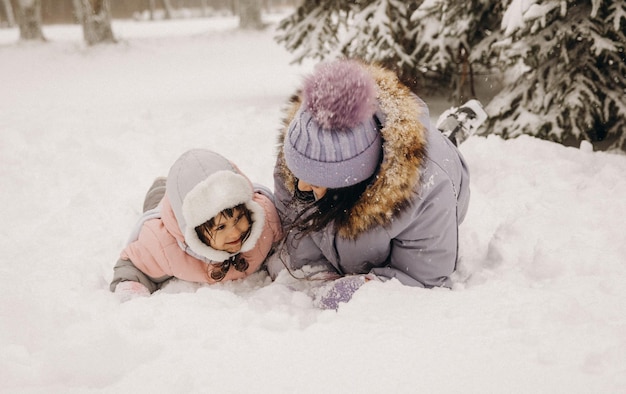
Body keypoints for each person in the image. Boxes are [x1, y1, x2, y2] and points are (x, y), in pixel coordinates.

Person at [268, 59, 485, 309]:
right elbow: (298, 237)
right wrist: (318, 276)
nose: (301, 186)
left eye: (316, 181)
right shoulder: (302, 152)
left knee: (442, 144)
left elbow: (423, 279)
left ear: (351, 184)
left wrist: (357, 290)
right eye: (299, 174)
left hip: (443, 171)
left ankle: (454, 128)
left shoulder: (429, 190)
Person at [110, 148, 283, 300]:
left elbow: (284, 246)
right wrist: (130, 287)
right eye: (221, 227)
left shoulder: (265, 219)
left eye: (238, 219)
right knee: (158, 203)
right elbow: (133, 264)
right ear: (195, 231)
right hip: (170, 213)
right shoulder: (165, 245)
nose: (235, 233)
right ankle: (160, 187)